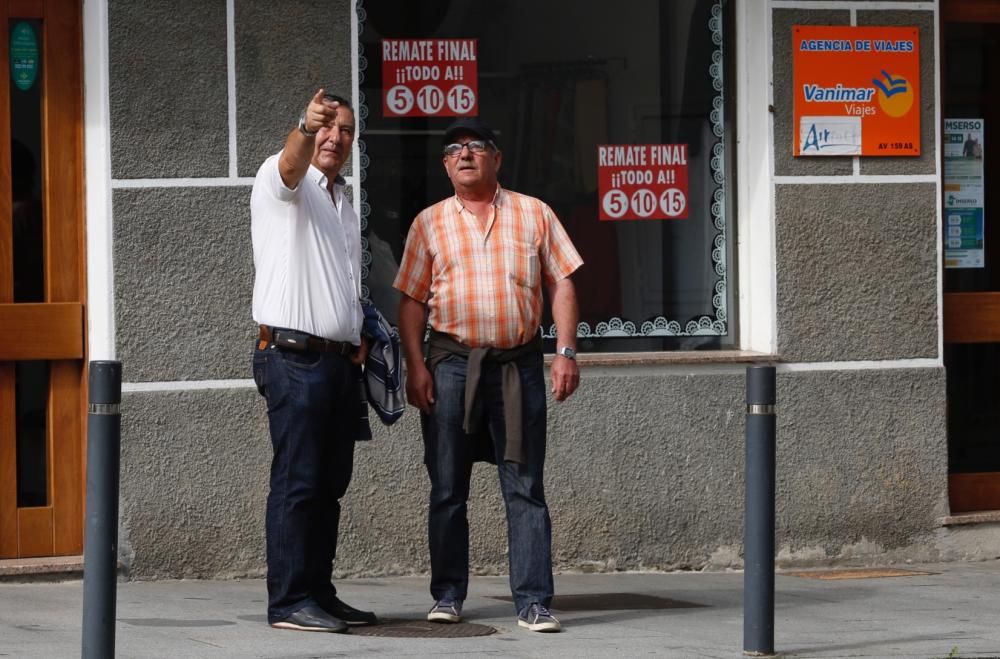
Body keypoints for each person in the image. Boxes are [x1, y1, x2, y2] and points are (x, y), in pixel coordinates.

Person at [394, 117, 584, 633]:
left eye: (476, 147)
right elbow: (410, 302)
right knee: (447, 485)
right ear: (445, 165)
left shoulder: (533, 213)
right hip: (451, 365)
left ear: (496, 159)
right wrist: (416, 366)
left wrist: (565, 351)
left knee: (523, 484)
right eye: (454, 149)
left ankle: (534, 601)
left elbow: (561, 283)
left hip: (516, 366)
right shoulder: (428, 222)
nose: (465, 155)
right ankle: (448, 594)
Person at [250, 89, 378, 633]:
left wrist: (358, 332)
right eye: (328, 128)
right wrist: (304, 123)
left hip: (338, 363)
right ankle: (287, 602)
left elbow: (340, 282)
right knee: (297, 482)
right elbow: (289, 162)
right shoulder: (285, 184)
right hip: (293, 358)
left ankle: (319, 594)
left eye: (345, 130)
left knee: (330, 486)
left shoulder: (343, 202)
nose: (335, 137)